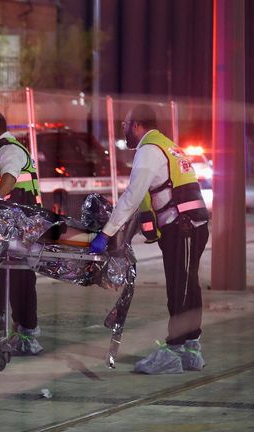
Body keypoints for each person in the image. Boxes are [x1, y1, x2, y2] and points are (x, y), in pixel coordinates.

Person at [90, 104, 210, 374]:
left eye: (125, 125)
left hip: (184, 227)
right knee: (188, 286)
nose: (124, 129)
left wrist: (106, 233)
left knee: (180, 288)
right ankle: (190, 350)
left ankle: (175, 349)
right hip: (188, 226)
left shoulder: (149, 151)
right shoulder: (166, 146)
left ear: (137, 125)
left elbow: (132, 197)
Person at [0, 110, 44, 355]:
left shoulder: (8, 150)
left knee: (23, 278)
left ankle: (28, 334)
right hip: (14, 224)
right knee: (14, 276)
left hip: (22, 225)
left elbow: (9, 180)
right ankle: (21, 332)